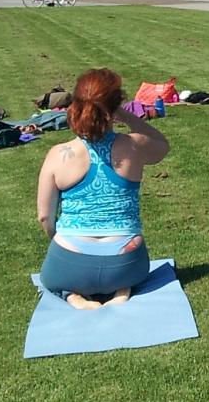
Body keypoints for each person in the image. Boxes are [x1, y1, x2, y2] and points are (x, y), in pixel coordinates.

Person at [35, 68, 171, 309]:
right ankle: (121, 290)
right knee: (128, 275)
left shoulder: (58, 155)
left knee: (51, 280)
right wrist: (124, 115)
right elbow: (162, 145)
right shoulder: (134, 146)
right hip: (126, 263)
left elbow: (45, 217)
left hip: (68, 261)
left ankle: (72, 294)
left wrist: (60, 244)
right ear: (114, 107)